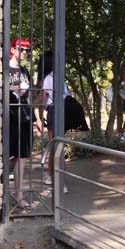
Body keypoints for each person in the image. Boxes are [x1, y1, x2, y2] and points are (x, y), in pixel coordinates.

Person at [37, 52, 88, 184]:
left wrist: (39, 117)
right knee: (59, 145)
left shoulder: (47, 78)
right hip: (67, 110)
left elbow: (42, 101)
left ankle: (53, 176)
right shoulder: (59, 77)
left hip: (54, 111)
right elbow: (68, 94)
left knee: (54, 145)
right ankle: (58, 174)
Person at [7, 38, 35, 202]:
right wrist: (13, 88)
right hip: (10, 115)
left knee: (22, 155)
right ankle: (2, 182)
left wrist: (36, 118)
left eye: (27, 50)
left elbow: (30, 96)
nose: (24, 53)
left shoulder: (24, 70)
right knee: (10, 154)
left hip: (24, 115)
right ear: (12, 50)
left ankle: (18, 193)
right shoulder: (5, 68)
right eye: (21, 49)